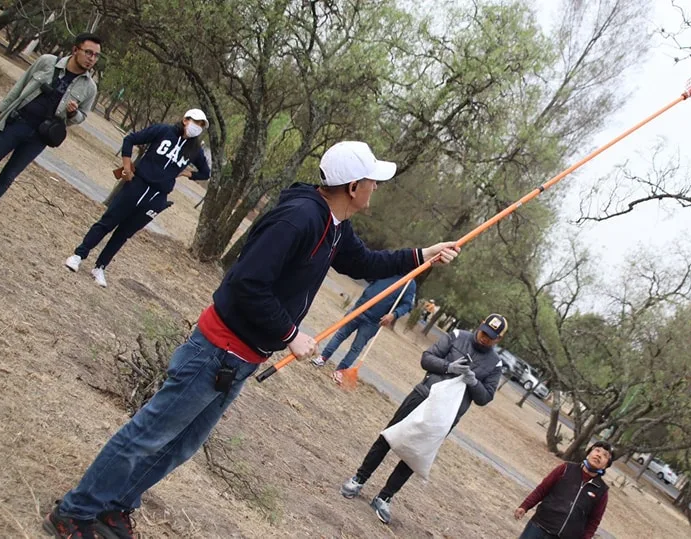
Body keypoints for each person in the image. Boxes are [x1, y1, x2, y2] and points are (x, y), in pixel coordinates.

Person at [43, 140, 460, 539]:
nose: (375, 189)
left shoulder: (335, 225)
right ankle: (76, 511)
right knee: (148, 435)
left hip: (241, 360)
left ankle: (116, 505)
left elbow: (364, 262)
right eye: (373, 181)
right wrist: (291, 333)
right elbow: (247, 283)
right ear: (353, 187)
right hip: (216, 351)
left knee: (180, 445)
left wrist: (423, 254)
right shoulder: (298, 218)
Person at [340, 313, 507, 524]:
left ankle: (385, 497)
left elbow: (485, 397)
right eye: (484, 332)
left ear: (498, 340)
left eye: (490, 337)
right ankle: (359, 478)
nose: (484, 338)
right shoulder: (456, 335)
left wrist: (473, 382)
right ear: (480, 325)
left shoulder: (495, 365)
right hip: (422, 395)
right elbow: (427, 358)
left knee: (415, 453)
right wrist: (449, 367)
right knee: (388, 437)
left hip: (446, 414)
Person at [64, 109, 212, 287]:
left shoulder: (194, 150)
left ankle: (100, 266)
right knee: (108, 221)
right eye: (195, 122)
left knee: (124, 233)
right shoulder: (163, 131)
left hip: (157, 196)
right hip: (137, 185)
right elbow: (131, 139)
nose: (197, 127)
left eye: (201, 125)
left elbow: (205, 172)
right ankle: (79, 255)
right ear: (185, 119)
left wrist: (186, 173)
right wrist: (127, 167)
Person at [0, 33, 100, 216]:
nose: (91, 59)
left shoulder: (89, 88)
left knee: (7, 177)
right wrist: (0, 113)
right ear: (75, 49)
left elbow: (82, 116)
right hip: (17, 122)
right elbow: (20, 86)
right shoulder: (47, 62)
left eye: (95, 55)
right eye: (88, 52)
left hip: (40, 137)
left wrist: (73, 113)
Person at [312, 274, 417, 384]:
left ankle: (340, 371)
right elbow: (370, 274)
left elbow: (406, 305)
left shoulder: (410, 284)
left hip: (374, 321)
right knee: (340, 335)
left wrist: (394, 315)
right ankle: (323, 358)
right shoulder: (390, 267)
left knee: (356, 347)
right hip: (359, 309)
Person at [514, 441, 613, 539]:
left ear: (605, 466)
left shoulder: (601, 490)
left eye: (605, 455)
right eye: (597, 450)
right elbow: (542, 490)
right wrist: (525, 506)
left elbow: (594, 521)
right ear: (588, 454)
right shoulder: (565, 469)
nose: (599, 455)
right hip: (539, 525)